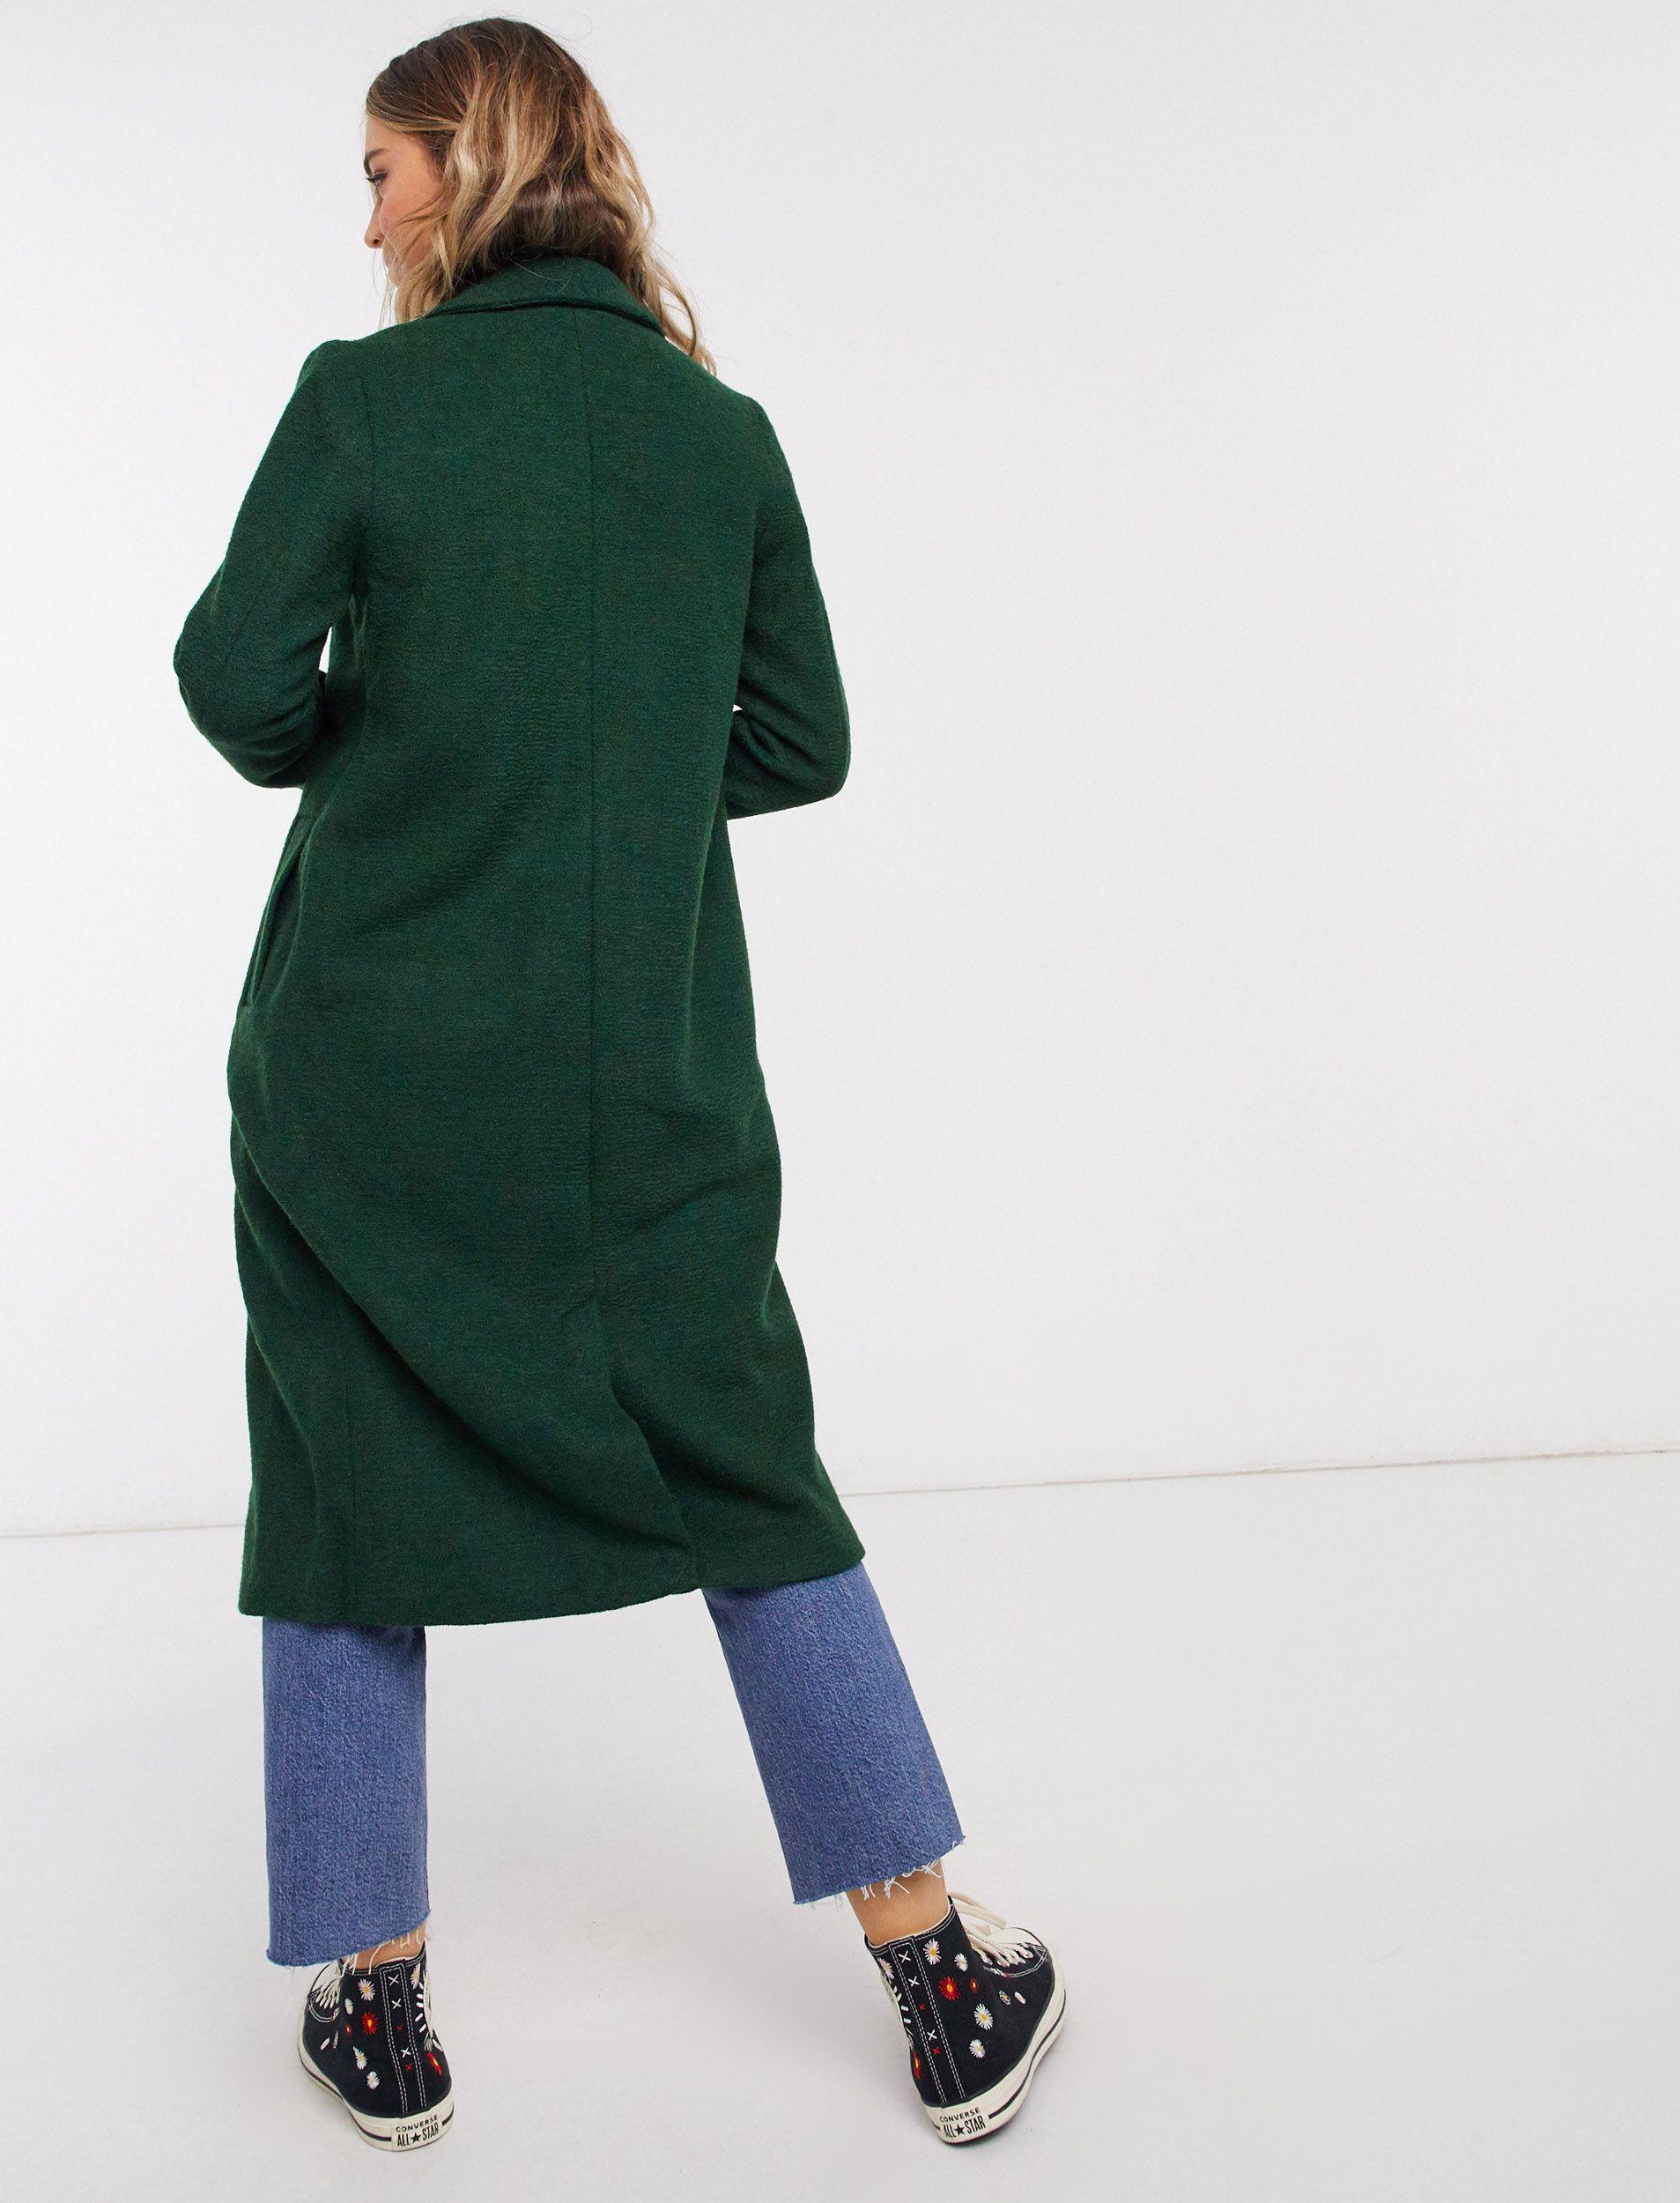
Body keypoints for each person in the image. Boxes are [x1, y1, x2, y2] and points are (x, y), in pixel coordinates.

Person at [172, 15, 1066, 2153]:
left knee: (343, 1482)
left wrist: (405, 749)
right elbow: (801, 739)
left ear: (471, 166)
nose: (365, 221)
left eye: (381, 172)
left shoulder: (362, 402)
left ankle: (375, 1999)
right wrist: (608, 775)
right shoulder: (710, 430)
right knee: (744, 1463)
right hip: (632, 1082)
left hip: (359, 1071)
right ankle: (936, 1970)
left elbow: (231, 678)